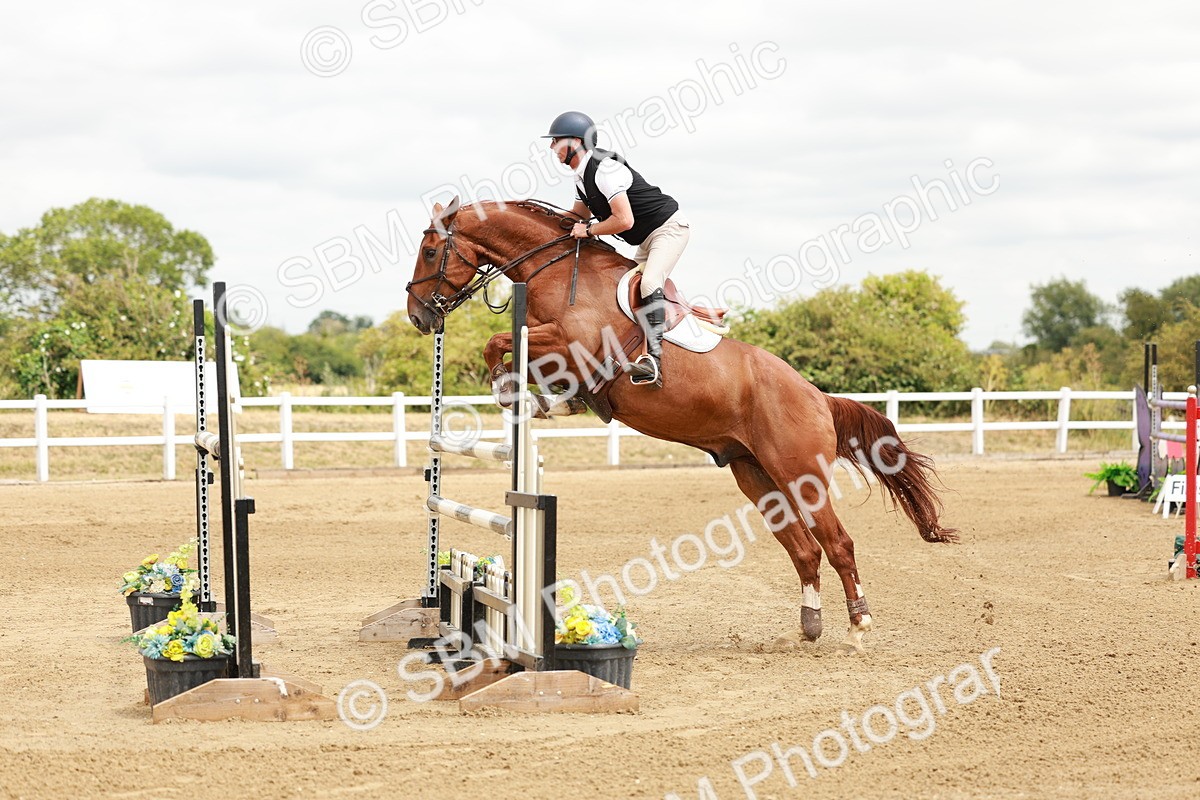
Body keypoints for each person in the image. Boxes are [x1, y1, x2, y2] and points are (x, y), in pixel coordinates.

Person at [542, 111, 689, 388]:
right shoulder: (581, 176)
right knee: (619, 292)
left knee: (648, 284)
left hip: (668, 230)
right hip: (646, 239)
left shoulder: (605, 169)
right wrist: (541, 221)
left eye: (556, 141)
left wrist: (588, 230)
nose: (552, 147)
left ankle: (654, 361)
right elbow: (577, 215)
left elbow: (624, 220)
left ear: (575, 142)